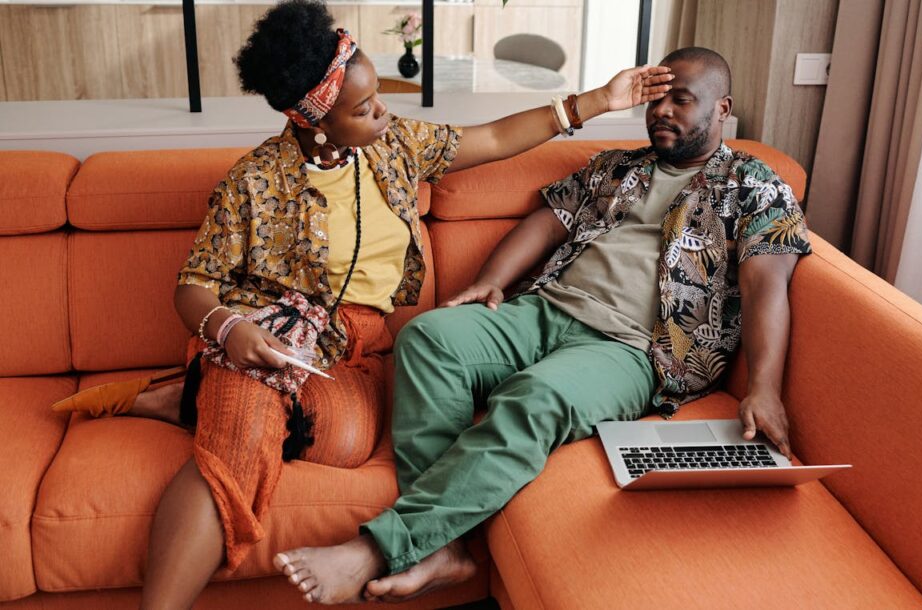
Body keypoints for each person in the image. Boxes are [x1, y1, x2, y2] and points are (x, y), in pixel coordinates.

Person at [49, 1, 671, 607]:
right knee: (243, 435)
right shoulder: (254, 183)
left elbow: (497, 135)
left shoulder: (394, 147)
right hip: (266, 333)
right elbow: (194, 285)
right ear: (314, 121)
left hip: (352, 348)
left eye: (378, 98)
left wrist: (599, 101)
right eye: (363, 108)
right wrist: (230, 330)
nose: (381, 113)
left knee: (347, 440)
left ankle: (184, 395)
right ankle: (214, 409)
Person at [272, 46, 812, 604]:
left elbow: (764, 285)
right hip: (547, 309)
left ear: (722, 108)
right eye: (657, 99)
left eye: (682, 100)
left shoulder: (756, 186)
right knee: (429, 338)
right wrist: (492, 281)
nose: (663, 112)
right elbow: (547, 223)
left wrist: (764, 387)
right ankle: (445, 548)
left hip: (629, 348)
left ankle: (381, 547)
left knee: (535, 399)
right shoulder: (616, 167)